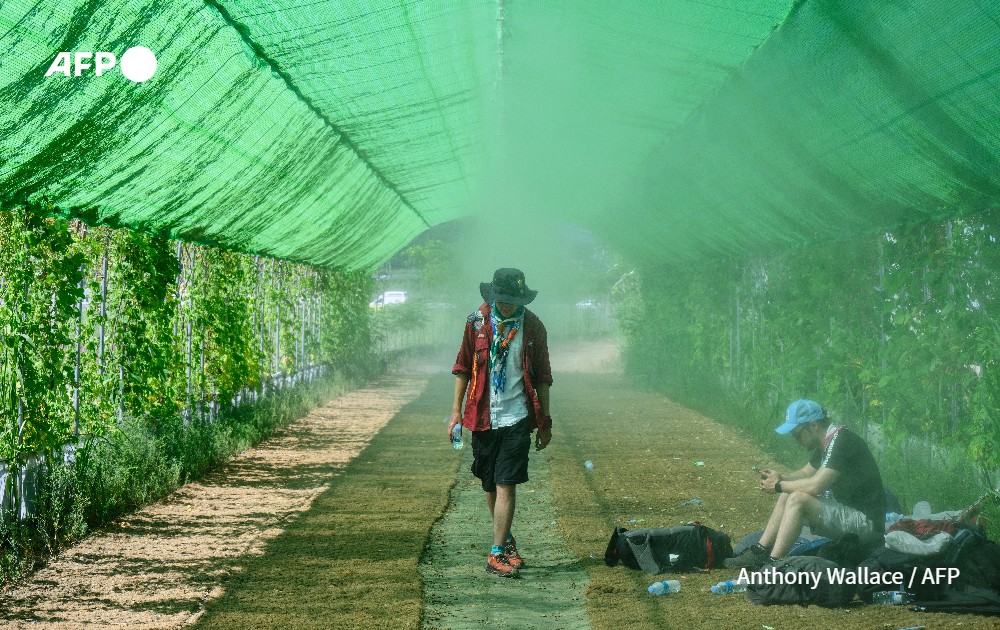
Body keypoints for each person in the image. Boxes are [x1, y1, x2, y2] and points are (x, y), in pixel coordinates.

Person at [449, 268, 553, 578]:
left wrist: (544, 420)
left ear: (522, 299)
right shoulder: (476, 322)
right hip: (483, 414)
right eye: (501, 299)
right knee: (489, 481)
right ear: (492, 296)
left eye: (512, 300)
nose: (506, 305)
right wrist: (456, 411)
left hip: (517, 415)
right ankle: (506, 541)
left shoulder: (533, 327)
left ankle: (495, 553)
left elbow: (543, 376)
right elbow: (463, 366)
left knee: (506, 480)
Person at [725, 399, 886, 570]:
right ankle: (759, 552)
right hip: (853, 515)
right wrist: (782, 478)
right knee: (789, 492)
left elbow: (816, 486)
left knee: (798, 499)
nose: (795, 440)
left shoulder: (842, 441)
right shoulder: (829, 442)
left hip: (868, 525)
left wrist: (779, 485)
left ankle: (773, 565)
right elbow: (804, 474)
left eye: (796, 433)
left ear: (814, 425)